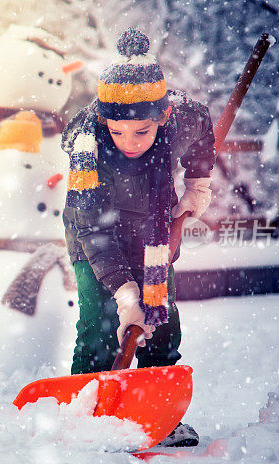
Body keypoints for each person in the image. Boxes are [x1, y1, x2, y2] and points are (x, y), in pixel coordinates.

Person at [61, 28, 216, 447]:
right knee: (99, 319)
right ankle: (86, 413)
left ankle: (158, 413)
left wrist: (197, 185)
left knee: (160, 318)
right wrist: (125, 295)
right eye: (118, 131)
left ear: (163, 117)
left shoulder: (183, 117)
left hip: (154, 234)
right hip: (93, 236)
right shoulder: (87, 150)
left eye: (142, 132)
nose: (129, 142)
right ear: (103, 121)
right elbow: (93, 229)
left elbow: (204, 134)